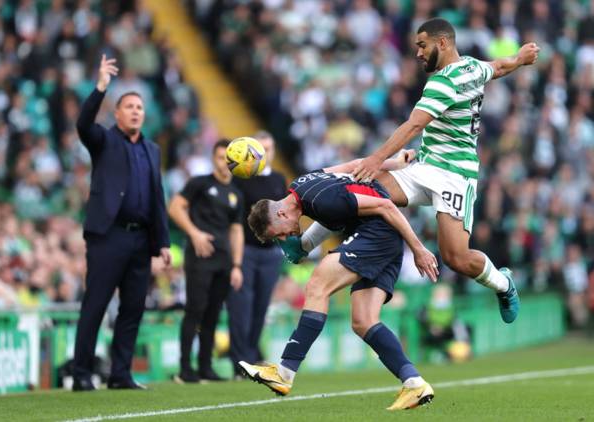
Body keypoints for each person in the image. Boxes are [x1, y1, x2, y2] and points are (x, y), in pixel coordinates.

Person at [315, 18, 539, 324]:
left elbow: (414, 125)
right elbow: (498, 67)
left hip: (455, 175)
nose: (418, 53)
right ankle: (304, 243)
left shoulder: (443, 82)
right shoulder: (473, 66)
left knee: (455, 258)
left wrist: (377, 159)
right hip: (426, 166)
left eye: (423, 45)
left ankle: (503, 284)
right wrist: (520, 59)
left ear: (443, 43)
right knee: (361, 190)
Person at [238, 154, 439, 411]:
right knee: (363, 321)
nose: (287, 236)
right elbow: (353, 167)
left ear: (280, 212)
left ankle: (285, 372)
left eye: (281, 232)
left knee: (317, 286)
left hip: (376, 234)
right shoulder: (301, 184)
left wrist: (419, 249)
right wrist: (393, 161)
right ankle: (414, 383)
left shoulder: (325, 202)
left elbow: (386, 206)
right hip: (382, 239)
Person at [73, 55, 171, 391]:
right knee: (96, 305)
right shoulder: (104, 141)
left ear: (145, 114)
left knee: (132, 309)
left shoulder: (152, 150)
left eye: (139, 107)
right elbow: (83, 124)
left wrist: (163, 243)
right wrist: (101, 87)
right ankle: (82, 373)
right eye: (128, 106)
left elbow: (157, 197)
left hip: (141, 240)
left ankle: (120, 374)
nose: (134, 111)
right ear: (117, 113)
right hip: (108, 236)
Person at [168, 139, 245, 383]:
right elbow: (175, 207)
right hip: (200, 256)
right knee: (195, 310)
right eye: (221, 157)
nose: (225, 163)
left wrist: (237, 265)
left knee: (213, 314)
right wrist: (194, 233)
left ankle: (205, 367)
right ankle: (184, 368)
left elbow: (236, 230)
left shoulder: (236, 194)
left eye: (229, 159)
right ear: (213, 158)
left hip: (224, 260)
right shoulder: (199, 184)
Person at [227, 131, 287, 375]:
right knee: (242, 308)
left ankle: (250, 356)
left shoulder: (278, 179)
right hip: (246, 251)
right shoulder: (240, 178)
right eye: (261, 147)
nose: (266, 152)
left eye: (269, 147)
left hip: (270, 253)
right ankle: (239, 361)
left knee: (261, 309)